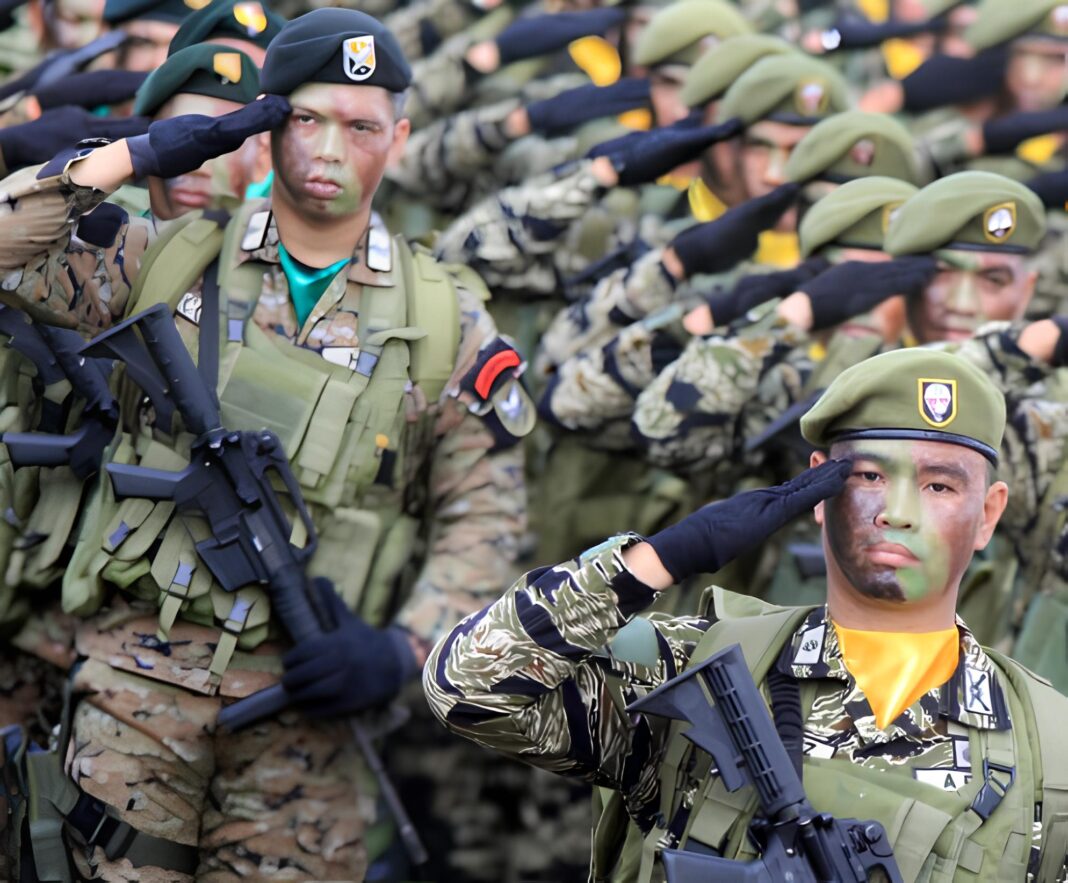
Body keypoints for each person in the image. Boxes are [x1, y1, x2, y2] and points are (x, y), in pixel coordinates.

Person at [0, 7, 530, 880]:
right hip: (134, 695)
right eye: (306, 119)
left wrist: (402, 649)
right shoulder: (167, 259)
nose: (329, 151)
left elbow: (486, 517)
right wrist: (134, 153)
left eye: (360, 127)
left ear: (398, 140)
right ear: (268, 126)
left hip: (310, 719)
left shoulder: (445, 321)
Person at [425, 346, 1068, 883]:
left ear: (988, 514)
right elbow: (467, 685)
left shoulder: (1052, 754)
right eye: (870, 476)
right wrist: (661, 559)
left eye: (939, 485)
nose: (898, 512)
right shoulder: (700, 674)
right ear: (819, 488)